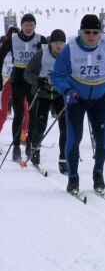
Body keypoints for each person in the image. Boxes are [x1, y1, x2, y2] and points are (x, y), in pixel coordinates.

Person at [51, 15, 105, 194]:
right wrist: (66, 90)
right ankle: (73, 178)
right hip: (76, 99)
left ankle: (98, 173)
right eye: (87, 32)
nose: (91, 36)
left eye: (95, 32)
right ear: (81, 32)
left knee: (102, 141)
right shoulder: (70, 48)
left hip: (100, 98)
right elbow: (57, 75)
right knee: (74, 139)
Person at [0, 14, 47, 161]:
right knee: (19, 114)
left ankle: (29, 143)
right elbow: (1, 55)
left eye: (31, 25)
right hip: (18, 78)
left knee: (33, 114)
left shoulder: (41, 39)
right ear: (22, 26)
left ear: (35, 26)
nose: (28, 28)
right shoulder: (13, 39)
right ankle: (15, 147)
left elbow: (51, 56)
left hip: (33, 79)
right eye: (26, 25)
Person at [24, 29, 68, 171]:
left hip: (60, 93)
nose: (59, 45)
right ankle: (35, 149)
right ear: (51, 42)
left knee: (65, 127)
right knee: (41, 124)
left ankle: (63, 158)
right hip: (43, 93)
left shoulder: (68, 55)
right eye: (56, 42)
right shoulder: (42, 53)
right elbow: (28, 73)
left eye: (61, 42)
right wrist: (37, 80)